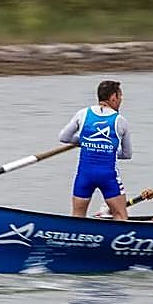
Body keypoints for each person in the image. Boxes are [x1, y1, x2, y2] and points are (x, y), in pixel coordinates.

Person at [59, 79, 133, 219]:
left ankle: (78, 238)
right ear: (113, 97)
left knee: (77, 216)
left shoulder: (82, 114)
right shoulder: (121, 121)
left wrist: (85, 142)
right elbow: (127, 154)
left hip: (84, 175)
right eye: (120, 96)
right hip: (108, 176)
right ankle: (120, 239)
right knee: (121, 215)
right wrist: (107, 149)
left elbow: (64, 137)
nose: (121, 100)